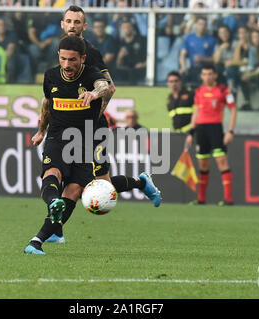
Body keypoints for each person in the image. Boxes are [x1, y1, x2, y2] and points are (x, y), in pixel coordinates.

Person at [31, 5, 161, 244]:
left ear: (84, 26)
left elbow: (108, 86)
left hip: (91, 129)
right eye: (68, 21)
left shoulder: (90, 52)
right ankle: (56, 231)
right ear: (62, 24)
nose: (72, 26)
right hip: (65, 128)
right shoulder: (60, 51)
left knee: (100, 184)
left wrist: (96, 108)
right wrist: (42, 129)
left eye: (77, 22)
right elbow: (49, 98)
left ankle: (142, 182)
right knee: (76, 181)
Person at [23, 35, 111, 255]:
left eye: (72, 60)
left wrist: (94, 93)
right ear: (58, 57)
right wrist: (41, 131)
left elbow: (105, 86)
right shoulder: (50, 76)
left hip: (84, 141)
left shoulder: (91, 75)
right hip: (57, 136)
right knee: (53, 173)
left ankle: (35, 242)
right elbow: (47, 105)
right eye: (63, 59)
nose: (67, 65)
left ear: (82, 58)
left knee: (72, 192)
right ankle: (53, 202)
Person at [184, 64, 237, 206]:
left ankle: (228, 199)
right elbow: (196, 111)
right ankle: (201, 199)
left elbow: (233, 110)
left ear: (215, 75)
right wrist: (191, 132)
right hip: (201, 130)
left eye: (209, 74)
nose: (207, 77)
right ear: (201, 76)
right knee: (202, 164)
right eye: (204, 74)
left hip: (216, 129)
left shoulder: (223, 90)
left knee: (221, 162)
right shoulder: (199, 91)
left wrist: (230, 131)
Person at [179, 16, 216, 87]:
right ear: (196, 25)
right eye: (200, 24)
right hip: (192, 68)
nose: (202, 27)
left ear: (207, 27)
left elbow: (215, 59)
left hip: (206, 69)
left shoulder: (211, 40)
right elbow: (182, 55)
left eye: (204, 25)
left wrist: (202, 59)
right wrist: (183, 67)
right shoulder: (189, 38)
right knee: (182, 76)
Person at [115, 19, 147, 84]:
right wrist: (120, 57)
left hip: (141, 72)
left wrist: (143, 64)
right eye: (124, 27)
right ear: (121, 29)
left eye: (129, 26)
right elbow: (117, 65)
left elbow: (151, 58)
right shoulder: (119, 43)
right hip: (125, 74)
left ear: (133, 28)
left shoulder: (142, 40)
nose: (127, 29)